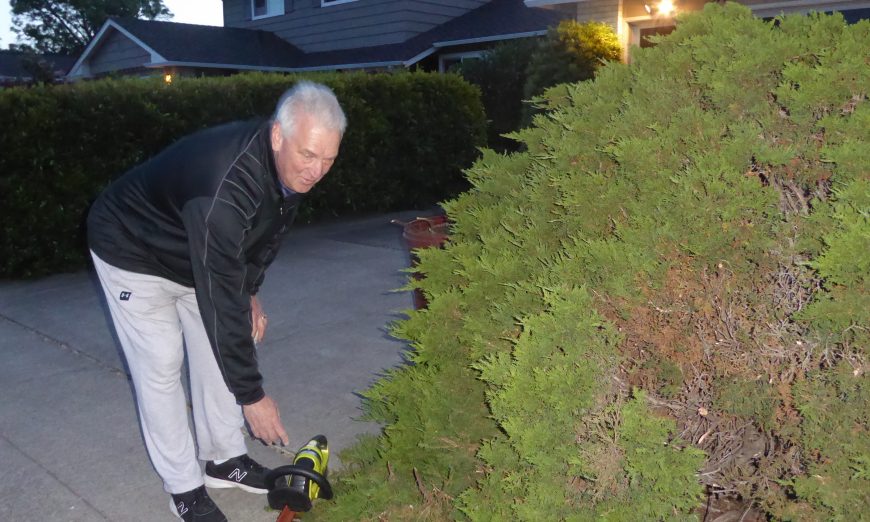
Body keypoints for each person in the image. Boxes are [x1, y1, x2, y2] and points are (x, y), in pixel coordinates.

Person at [87, 81, 346, 521]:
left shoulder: (288, 169)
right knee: (162, 363)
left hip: (195, 248)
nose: (316, 171)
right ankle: (184, 489)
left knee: (229, 333)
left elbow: (265, 237)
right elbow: (221, 292)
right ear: (278, 136)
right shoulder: (225, 186)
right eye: (308, 156)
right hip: (131, 247)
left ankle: (225, 460)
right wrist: (252, 396)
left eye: (328, 159)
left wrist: (251, 290)